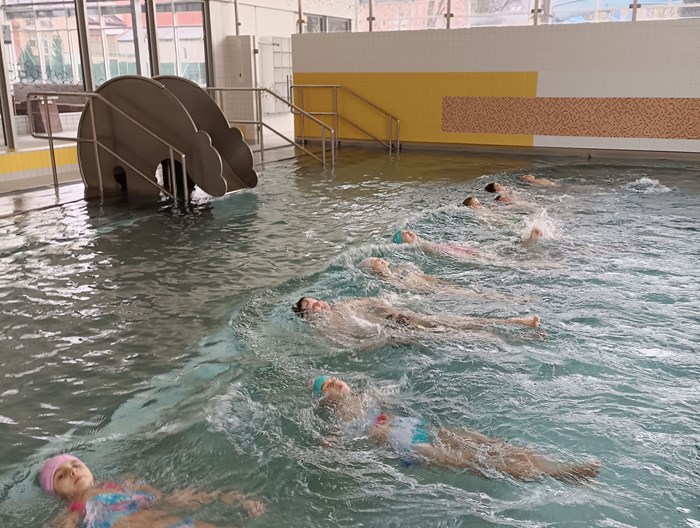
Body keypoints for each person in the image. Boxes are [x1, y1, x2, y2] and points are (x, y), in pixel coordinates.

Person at [310, 376, 600, 483]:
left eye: (334, 378)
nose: (335, 382)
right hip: (408, 446)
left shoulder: (366, 395)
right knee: (474, 461)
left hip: (419, 428)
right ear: (325, 398)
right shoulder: (340, 415)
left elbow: (394, 398)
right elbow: (333, 442)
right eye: (328, 385)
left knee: (486, 443)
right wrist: (326, 445)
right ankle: (559, 474)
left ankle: (552, 464)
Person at [39, 454, 265, 528]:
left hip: (173, 522)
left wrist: (221, 496)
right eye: (61, 476)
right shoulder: (73, 510)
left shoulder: (125, 485)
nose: (72, 471)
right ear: (56, 493)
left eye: (76, 465)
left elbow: (169, 500)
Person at [292, 295, 540, 350]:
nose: (318, 304)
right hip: (390, 334)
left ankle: (514, 322)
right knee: (448, 335)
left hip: (394, 319)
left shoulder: (342, 305)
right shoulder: (325, 329)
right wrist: (380, 341)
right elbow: (351, 347)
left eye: (315, 300)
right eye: (311, 306)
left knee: (451, 321)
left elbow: (372, 301)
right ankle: (503, 339)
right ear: (309, 316)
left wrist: (389, 305)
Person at [359, 257, 482, 297]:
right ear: (372, 270)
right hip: (433, 293)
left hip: (436, 285)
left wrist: (440, 282)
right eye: (373, 261)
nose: (379, 260)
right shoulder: (385, 282)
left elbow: (423, 275)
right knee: (470, 295)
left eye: (378, 258)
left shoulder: (400, 268)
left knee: (472, 293)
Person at [392, 229, 480, 259]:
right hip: (448, 252)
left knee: (477, 253)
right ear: (403, 243)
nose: (408, 231)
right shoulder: (416, 248)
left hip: (448, 248)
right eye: (404, 234)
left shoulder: (419, 242)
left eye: (406, 230)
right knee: (476, 255)